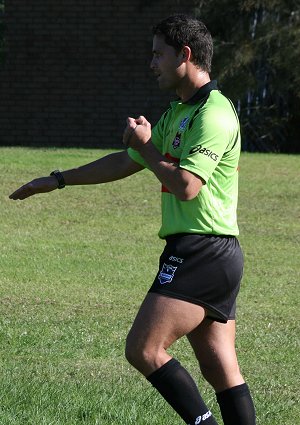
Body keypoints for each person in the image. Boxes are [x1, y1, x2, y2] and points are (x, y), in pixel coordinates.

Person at [9, 14, 256, 425]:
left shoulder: (213, 115)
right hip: (208, 251)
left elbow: (187, 186)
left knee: (144, 349)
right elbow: (128, 161)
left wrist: (149, 147)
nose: (152, 63)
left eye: (159, 54)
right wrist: (57, 180)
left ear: (186, 55)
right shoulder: (180, 111)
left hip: (203, 251)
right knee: (220, 370)